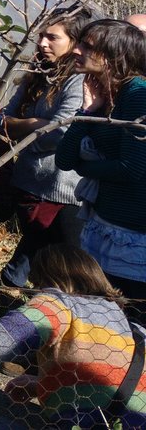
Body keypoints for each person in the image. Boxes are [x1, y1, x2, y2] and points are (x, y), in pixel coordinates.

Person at [0, 245, 146, 429]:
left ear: (49, 280)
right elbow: (107, 377)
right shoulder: (131, 327)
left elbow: (1, 336)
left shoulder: (57, 304)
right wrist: (42, 384)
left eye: (37, 284)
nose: (36, 291)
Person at [0, 7, 90, 287]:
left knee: (61, 266)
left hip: (61, 191)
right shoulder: (36, 74)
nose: (42, 43)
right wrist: (38, 123)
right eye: (40, 36)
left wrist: (26, 123)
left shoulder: (78, 80)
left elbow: (61, 132)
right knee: (42, 257)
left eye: (52, 37)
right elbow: (1, 120)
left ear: (74, 42)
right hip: (29, 182)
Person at [56, 19, 146, 307]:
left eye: (87, 46)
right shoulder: (105, 96)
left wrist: (85, 169)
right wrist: (87, 111)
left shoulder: (137, 95)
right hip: (105, 222)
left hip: (131, 235)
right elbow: (64, 158)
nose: (76, 50)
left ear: (114, 56)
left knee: (125, 314)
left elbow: (132, 168)